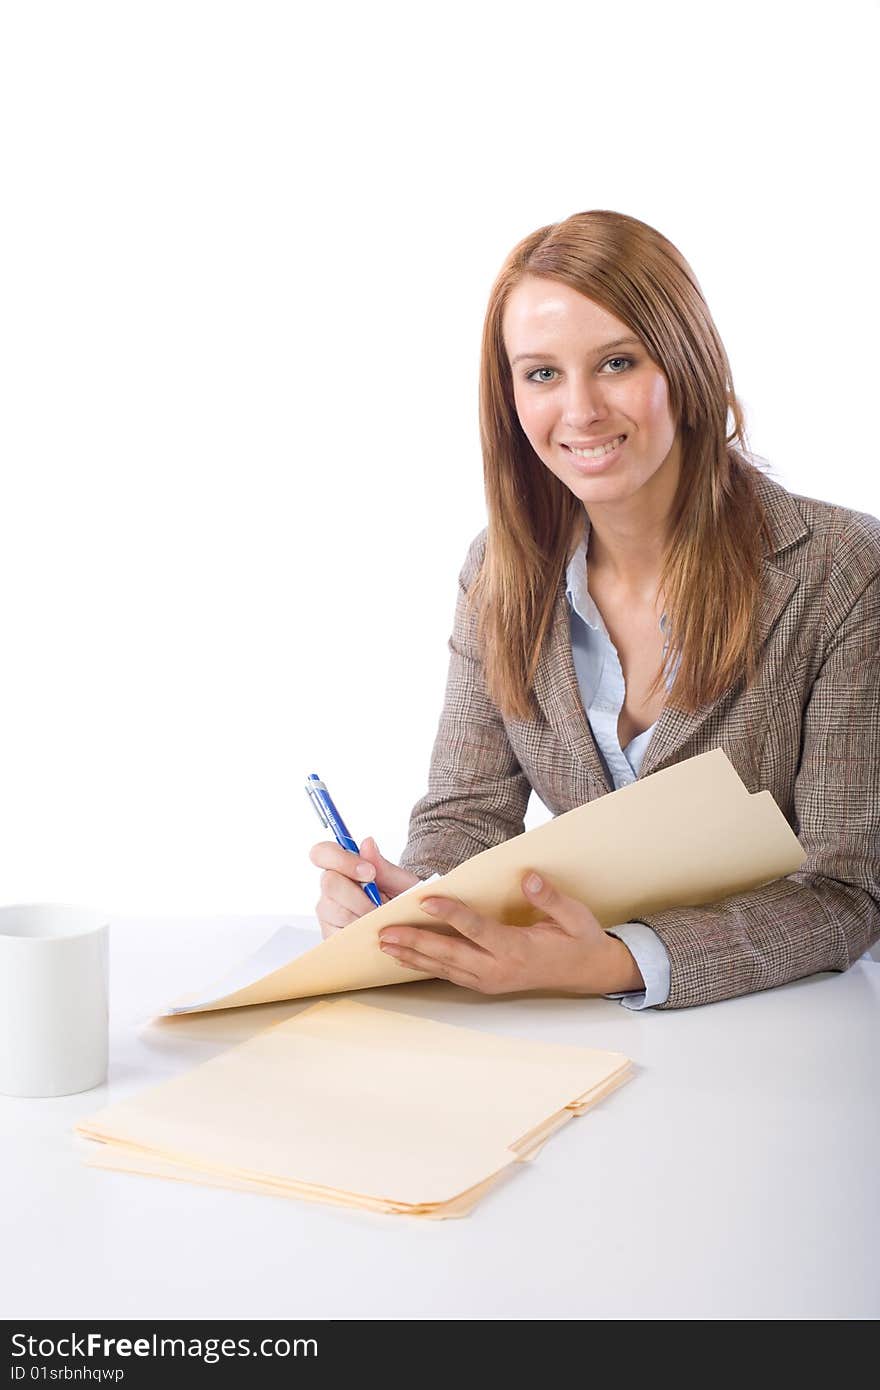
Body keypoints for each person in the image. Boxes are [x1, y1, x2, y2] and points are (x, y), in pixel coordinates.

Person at [310, 209, 880, 1009]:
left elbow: (849, 893)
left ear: (686, 367)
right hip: (569, 1031)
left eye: (616, 362)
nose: (579, 411)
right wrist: (417, 904)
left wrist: (613, 961)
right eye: (542, 373)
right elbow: (468, 814)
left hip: (781, 1028)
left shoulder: (843, 573)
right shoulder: (502, 571)